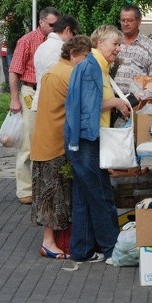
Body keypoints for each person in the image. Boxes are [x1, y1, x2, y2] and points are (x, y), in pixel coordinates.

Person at [64, 25, 133, 263]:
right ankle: (113, 248)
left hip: (84, 139)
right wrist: (114, 102)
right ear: (100, 43)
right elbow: (87, 106)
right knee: (102, 195)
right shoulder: (92, 68)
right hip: (85, 140)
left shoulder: (97, 67)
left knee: (84, 195)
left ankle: (81, 250)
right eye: (114, 44)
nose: (118, 48)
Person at [31, 36, 92, 259]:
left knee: (51, 194)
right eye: (85, 57)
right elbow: (83, 105)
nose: (87, 62)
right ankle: (49, 242)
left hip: (44, 140)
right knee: (54, 196)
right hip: (56, 143)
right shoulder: (69, 74)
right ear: (73, 54)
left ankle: (52, 241)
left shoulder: (55, 70)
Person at [8, 6, 60, 205]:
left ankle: (43, 186)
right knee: (27, 143)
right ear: (41, 22)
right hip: (31, 90)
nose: (55, 28)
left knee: (47, 139)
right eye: (51, 25)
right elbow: (14, 70)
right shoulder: (27, 40)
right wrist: (14, 99)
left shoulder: (59, 42)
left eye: (57, 24)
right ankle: (25, 190)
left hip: (51, 92)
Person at [32, 15, 81, 111]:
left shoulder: (41, 47)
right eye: (74, 34)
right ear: (67, 30)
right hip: (55, 104)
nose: (73, 39)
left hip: (39, 100)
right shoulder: (63, 48)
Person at [113, 4, 152, 94]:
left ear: (139, 21)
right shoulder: (113, 42)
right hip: (112, 100)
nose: (125, 23)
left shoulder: (149, 46)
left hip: (136, 101)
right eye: (123, 20)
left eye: (130, 20)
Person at [0, 13, 23, 92]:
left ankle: (13, 86)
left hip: (10, 49)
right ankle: (7, 85)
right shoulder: (5, 27)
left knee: (11, 68)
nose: (7, 20)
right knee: (5, 67)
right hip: (4, 49)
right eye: (7, 18)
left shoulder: (15, 28)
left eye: (9, 18)